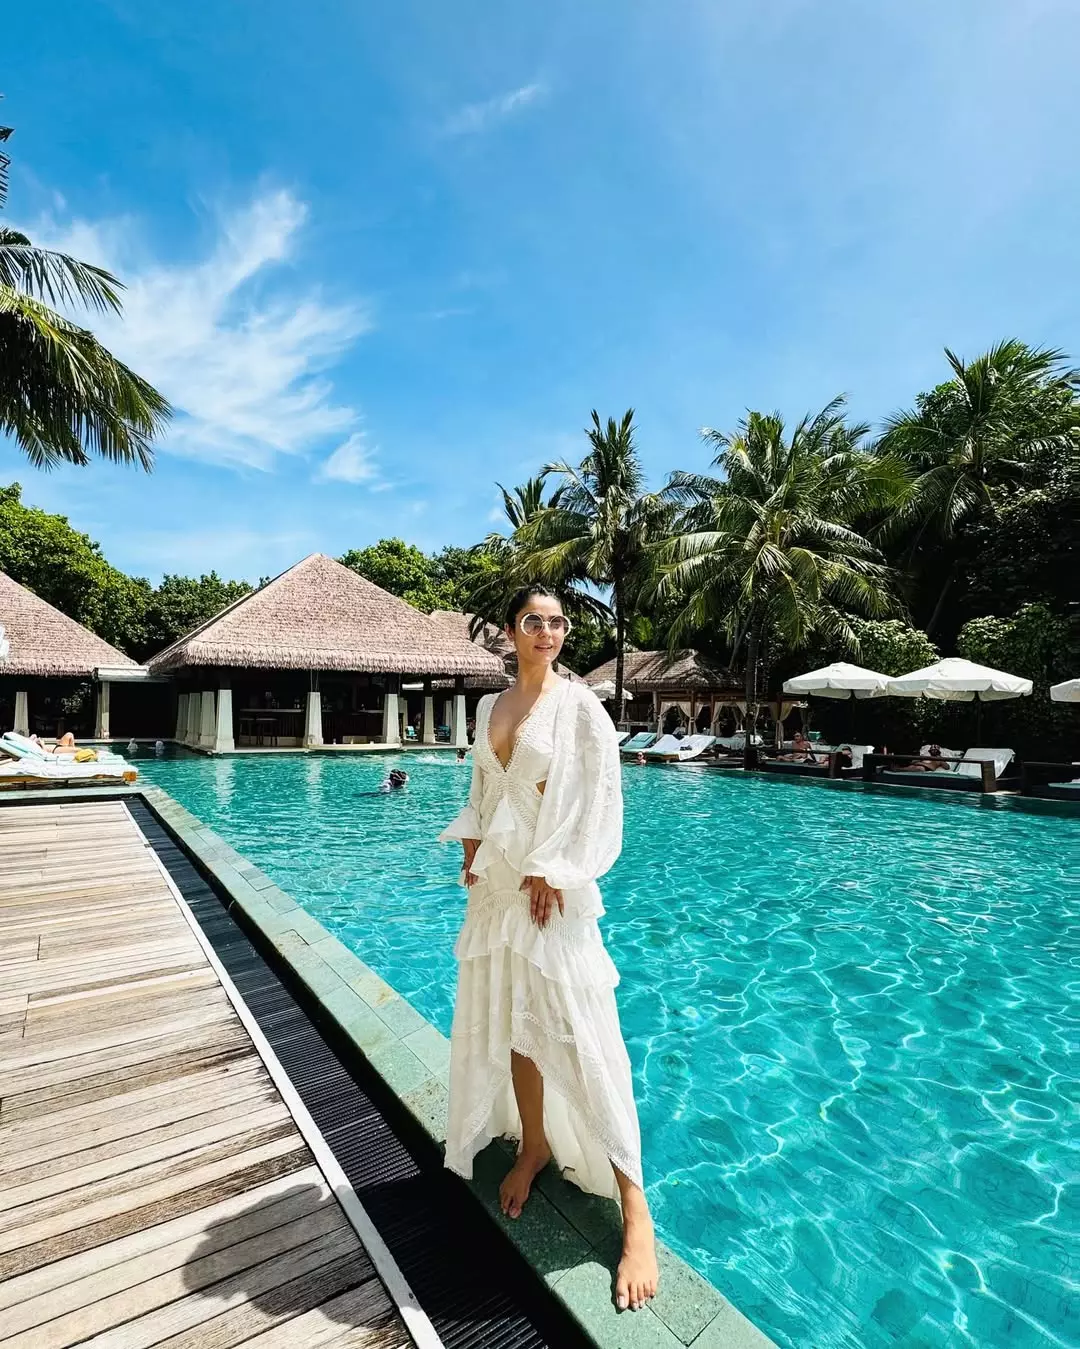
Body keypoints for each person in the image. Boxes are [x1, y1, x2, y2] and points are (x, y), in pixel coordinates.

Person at [439, 585, 658, 1313]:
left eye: (558, 622)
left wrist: (555, 868)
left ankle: (635, 1208)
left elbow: (600, 800)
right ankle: (533, 1143)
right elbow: (483, 786)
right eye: (534, 621)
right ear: (511, 630)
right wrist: (472, 842)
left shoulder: (580, 707)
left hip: (548, 892)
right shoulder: (488, 706)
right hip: (497, 889)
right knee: (515, 1025)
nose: (548, 631)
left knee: (586, 1034)